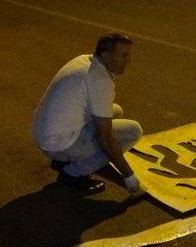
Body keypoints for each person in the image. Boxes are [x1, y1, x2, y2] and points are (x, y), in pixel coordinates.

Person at [32, 33, 145, 197]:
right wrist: (130, 179)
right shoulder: (100, 81)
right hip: (57, 142)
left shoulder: (84, 60)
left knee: (116, 110)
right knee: (133, 131)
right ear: (106, 56)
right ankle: (72, 173)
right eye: (124, 55)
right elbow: (104, 137)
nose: (129, 60)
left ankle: (62, 160)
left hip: (42, 132)